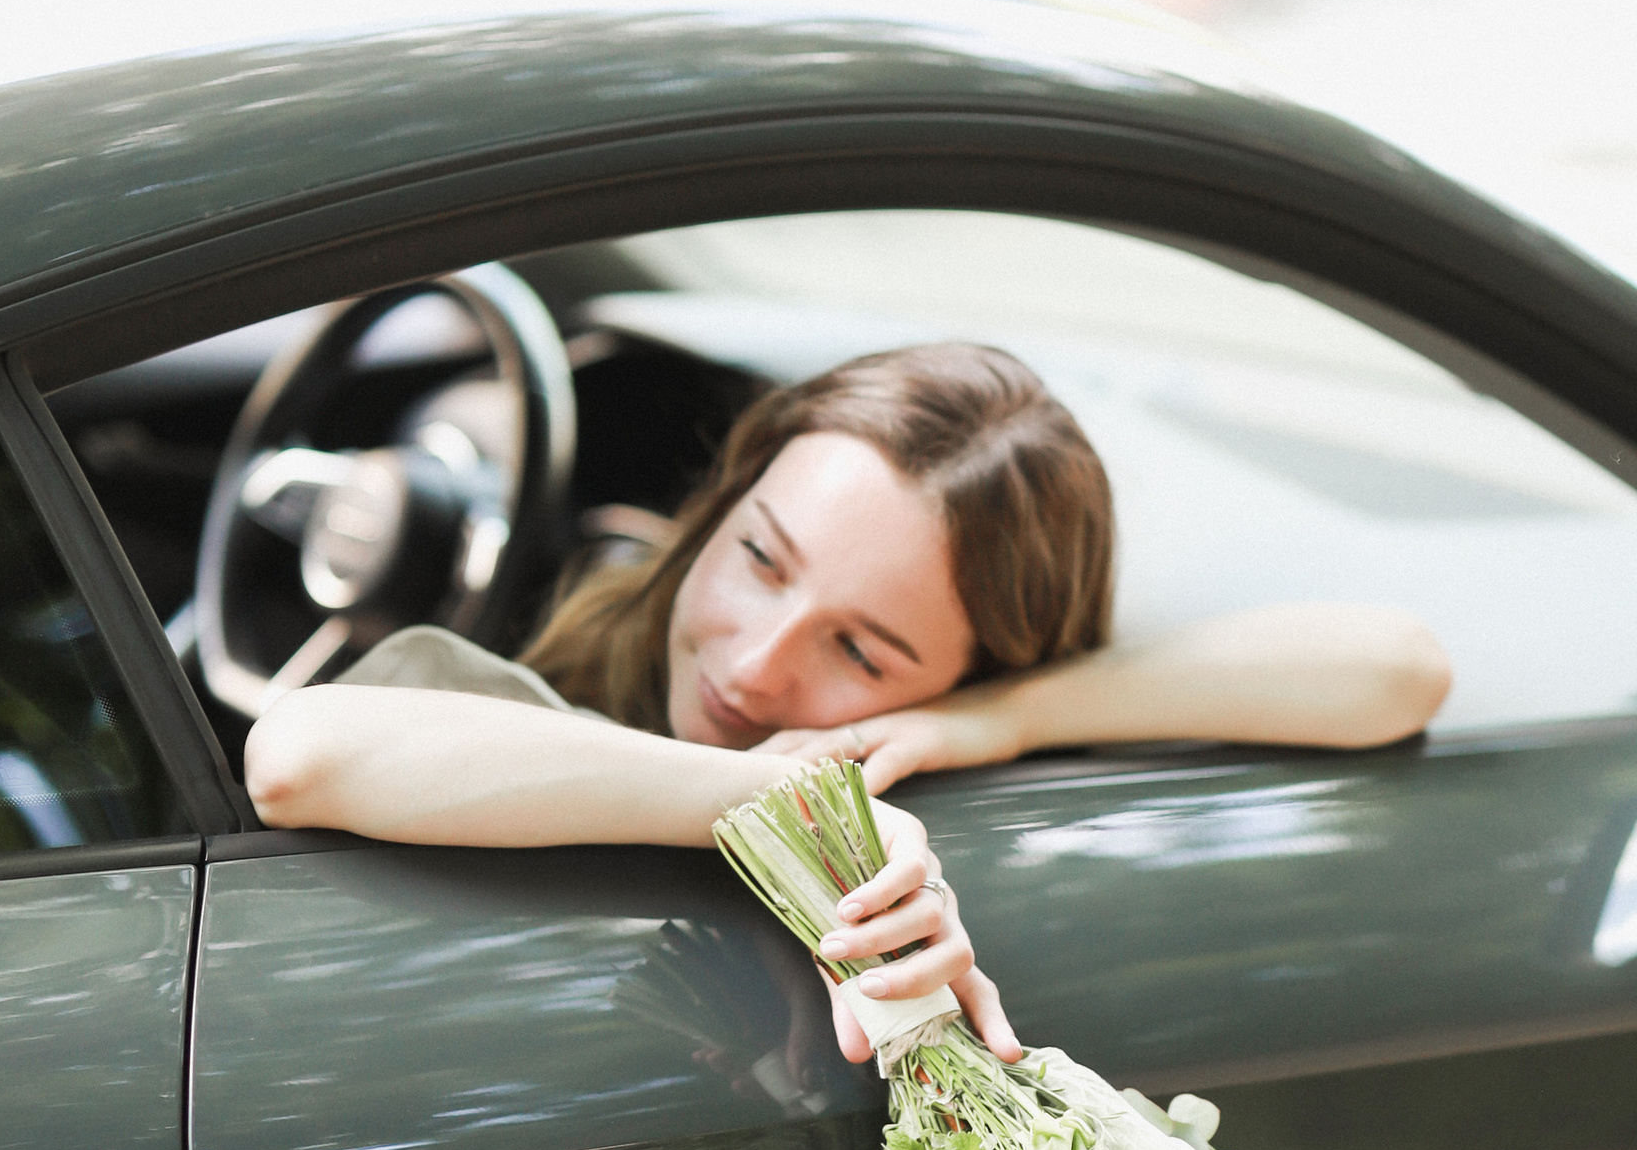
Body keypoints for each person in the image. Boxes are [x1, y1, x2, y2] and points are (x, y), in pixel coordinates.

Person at [245, 341, 1451, 1066]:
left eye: (862, 652)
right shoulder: (545, 673)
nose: (757, 666)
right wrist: (777, 796)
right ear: (721, 503)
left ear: (967, 670)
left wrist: (997, 723)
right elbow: (299, 755)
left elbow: (1397, 669)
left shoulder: (958, 743)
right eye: (759, 557)